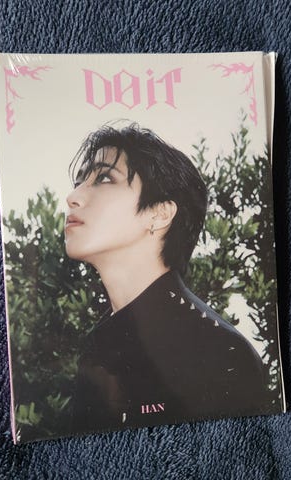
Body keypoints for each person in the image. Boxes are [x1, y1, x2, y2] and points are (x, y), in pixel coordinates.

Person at [64, 123, 268, 434]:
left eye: (105, 178)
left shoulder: (219, 352)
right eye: (80, 182)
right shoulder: (99, 348)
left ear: (159, 214)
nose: (73, 196)